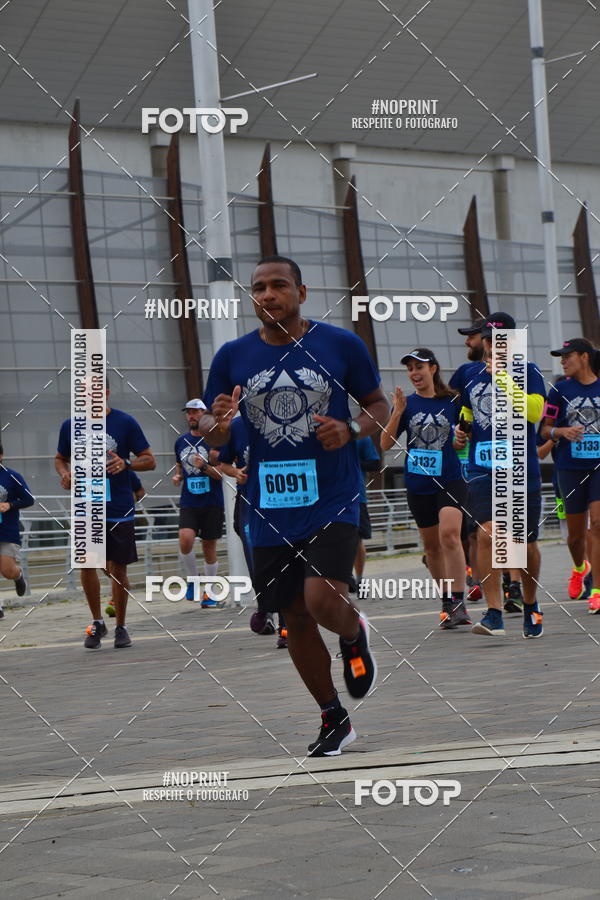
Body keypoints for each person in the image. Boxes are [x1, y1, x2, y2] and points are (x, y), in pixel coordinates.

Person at [200, 255, 388, 757]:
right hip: (267, 507)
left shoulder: (341, 344)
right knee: (294, 617)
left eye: (278, 285)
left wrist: (350, 428)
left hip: (332, 495)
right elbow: (217, 437)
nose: (267, 295)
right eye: (258, 288)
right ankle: (333, 717)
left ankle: (352, 632)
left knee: (323, 600)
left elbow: (379, 406)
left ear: (301, 293)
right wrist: (217, 421)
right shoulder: (231, 357)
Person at [455, 312, 546, 639]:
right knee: (486, 534)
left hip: (521, 470)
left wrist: (503, 378)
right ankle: (494, 612)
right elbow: (467, 411)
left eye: (500, 339)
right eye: (489, 339)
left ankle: (531, 603)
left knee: (524, 545)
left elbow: (535, 411)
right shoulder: (470, 374)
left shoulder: (527, 371)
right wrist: (460, 432)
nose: (493, 345)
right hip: (483, 468)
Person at [55, 382, 155, 648]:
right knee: (87, 564)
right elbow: (59, 458)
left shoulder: (125, 422)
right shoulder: (70, 426)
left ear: (106, 393)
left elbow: (149, 459)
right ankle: (97, 622)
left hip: (118, 508)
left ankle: (121, 626)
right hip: (86, 506)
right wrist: (65, 474)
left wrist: (127, 463)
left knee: (117, 568)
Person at [381, 349, 470, 629]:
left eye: (419, 367)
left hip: (450, 478)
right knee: (432, 547)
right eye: (409, 369)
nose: (414, 373)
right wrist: (397, 412)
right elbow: (384, 444)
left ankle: (458, 600)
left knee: (450, 535)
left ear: (433, 368)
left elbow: (462, 439)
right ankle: (446, 601)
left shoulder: (453, 400)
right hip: (418, 483)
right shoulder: (407, 404)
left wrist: (460, 438)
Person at [540, 339, 600, 611]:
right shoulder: (558, 390)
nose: (563, 361)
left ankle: (597, 590)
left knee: (597, 526)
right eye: (561, 357)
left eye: (567, 356)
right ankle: (580, 567)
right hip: (569, 468)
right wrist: (561, 432)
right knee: (575, 537)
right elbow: (544, 429)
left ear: (584, 357)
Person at [173, 399, 225, 609]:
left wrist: (203, 466)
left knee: (208, 546)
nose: (191, 416)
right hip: (189, 500)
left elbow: (221, 474)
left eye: (195, 412)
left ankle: (210, 593)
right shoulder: (180, 441)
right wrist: (178, 476)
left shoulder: (214, 441)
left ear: (205, 415)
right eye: (189, 413)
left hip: (212, 501)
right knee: (185, 539)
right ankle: (193, 581)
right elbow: (179, 464)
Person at [450, 319, 486, 604]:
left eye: (471, 337)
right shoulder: (465, 373)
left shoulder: (520, 372)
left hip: (510, 464)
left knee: (488, 531)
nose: (467, 342)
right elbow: (453, 410)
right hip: (469, 466)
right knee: (470, 533)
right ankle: (474, 578)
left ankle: (507, 583)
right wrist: (459, 432)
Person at [0, 443, 33, 617]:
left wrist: (10, 504)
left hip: (7, 529)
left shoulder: (12, 476)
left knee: (6, 570)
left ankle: (18, 576)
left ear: (1, 456)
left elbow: (29, 499)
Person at [349, 435, 380, 595]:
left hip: (356, 495)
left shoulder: (361, 436)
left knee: (357, 538)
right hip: (329, 498)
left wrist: (350, 461)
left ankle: (360, 579)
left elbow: (375, 463)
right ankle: (344, 576)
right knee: (334, 539)